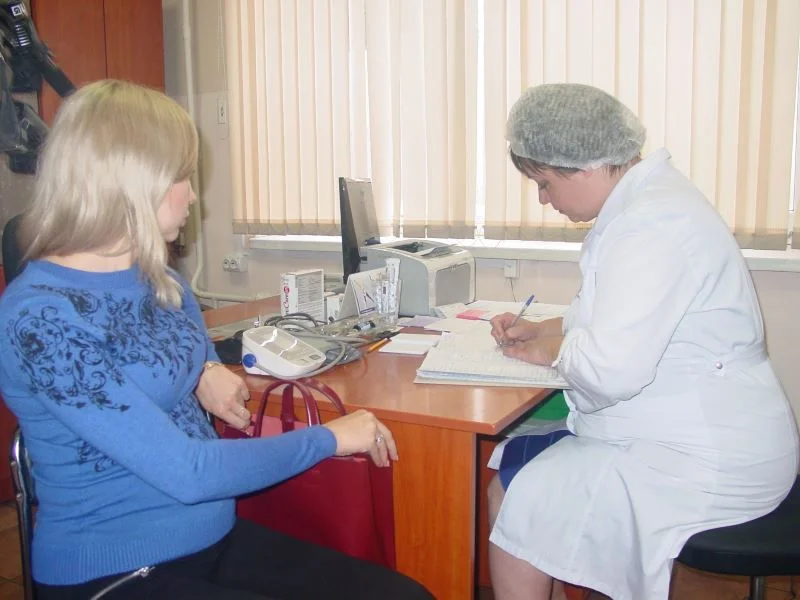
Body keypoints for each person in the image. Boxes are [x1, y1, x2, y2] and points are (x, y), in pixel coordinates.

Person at [0, 80, 433, 600]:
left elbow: (186, 346)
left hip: (209, 538)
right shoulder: (39, 318)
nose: (193, 194)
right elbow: (191, 473)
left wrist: (206, 369)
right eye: (182, 176)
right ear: (135, 181)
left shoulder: (159, 279)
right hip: (115, 568)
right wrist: (331, 438)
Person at [486, 83, 799, 600]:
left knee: (521, 496)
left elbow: (611, 369)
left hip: (705, 460)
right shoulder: (647, 203)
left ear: (584, 166)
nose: (543, 199)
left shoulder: (649, 225)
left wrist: (553, 351)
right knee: (513, 483)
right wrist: (544, 331)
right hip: (689, 430)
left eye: (544, 183)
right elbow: (619, 317)